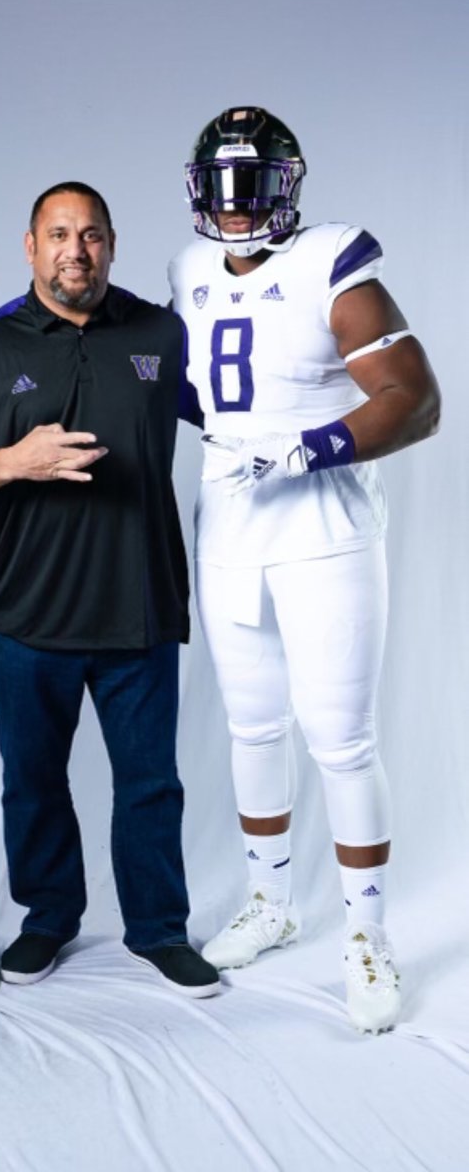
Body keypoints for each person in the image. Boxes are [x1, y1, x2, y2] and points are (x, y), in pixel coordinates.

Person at [169, 106, 440, 1032]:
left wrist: (312, 446)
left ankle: (367, 935)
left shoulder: (331, 264)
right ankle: (271, 901)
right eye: (224, 187)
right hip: (230, 524)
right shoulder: (187, 268)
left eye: (257, 186)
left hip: (322, 525)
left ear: (290, 187)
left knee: (340, 737)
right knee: (251, 728)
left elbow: (417, 398)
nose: (238, 209)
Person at [0, 182, 220, 997]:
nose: (75, 251)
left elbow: (237, 409)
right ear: (29, 246)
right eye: (58, 234)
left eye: (90, 235)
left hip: (141, 605)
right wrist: (14, 460)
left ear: (112, 244)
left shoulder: (162, 333)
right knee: (31, 781)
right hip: (27, 613)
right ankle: (47, 919)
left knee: (151, 784)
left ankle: (159, 930)